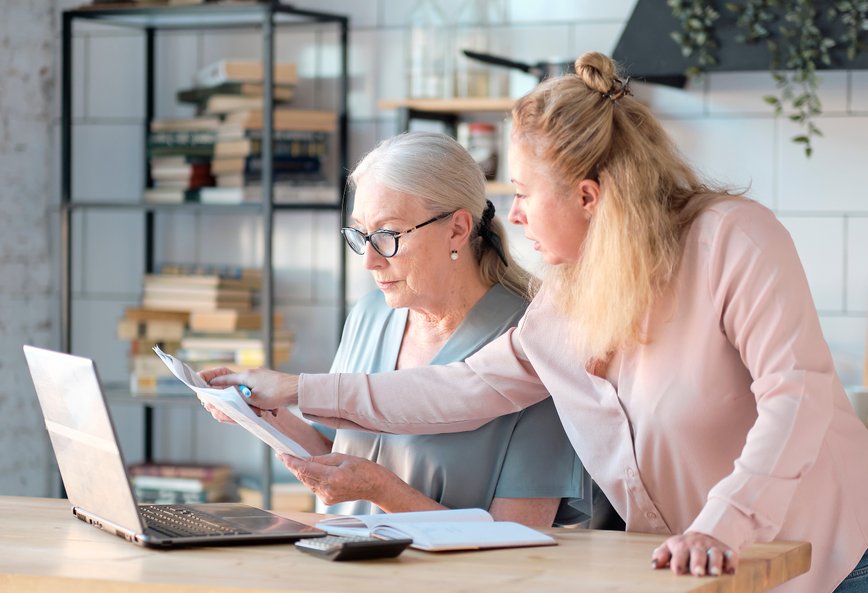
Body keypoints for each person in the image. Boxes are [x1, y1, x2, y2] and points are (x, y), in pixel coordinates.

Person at [204, 52, 868, 593]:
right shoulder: (562, 304)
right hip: (698, 571)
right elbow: (456, 388)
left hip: (830, 561)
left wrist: (722, 526)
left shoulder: (732, 241)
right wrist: (294, 389)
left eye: (522, 193)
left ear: (588, 197)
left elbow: (797, 397)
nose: (512, 215)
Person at [202, 131, 586, 527]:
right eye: (360, 235)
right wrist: (263, 413)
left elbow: (519, 538)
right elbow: (341, 451)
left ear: (457, 229)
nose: (369, 260)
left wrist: (383, 492)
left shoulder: (535, 341)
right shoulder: (370, 314)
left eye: (387, 235)